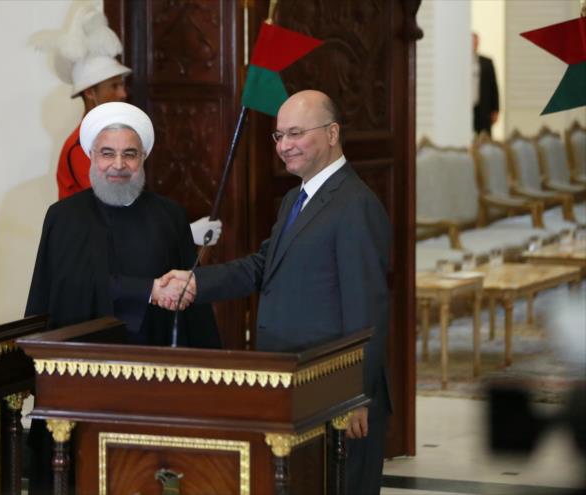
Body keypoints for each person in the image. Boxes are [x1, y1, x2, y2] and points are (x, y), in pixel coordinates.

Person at [160, 90, 392, 494]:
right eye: (279, 135)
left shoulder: (355, 204)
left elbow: (368, 310)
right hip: (295, 385)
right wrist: (196, 282)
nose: (284, 145)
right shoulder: (294, 199)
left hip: (334, 392)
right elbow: (262, 266)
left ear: (332, 133)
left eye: (296, 133)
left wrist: (355, 395)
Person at [25, 101, 221, 494]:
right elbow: (59, 291)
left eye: (129, 154)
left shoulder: (169, 216)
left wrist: (209, 373)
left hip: (151, 376)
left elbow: (191, 299)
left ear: (143, 157)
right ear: (91, 157)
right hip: (79, 378)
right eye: (107, 153)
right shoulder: (63, 216)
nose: (118, 165)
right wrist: (147, 290)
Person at [35, 3, 221, 245]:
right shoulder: (80, 147)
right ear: (90, 92)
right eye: (114, 86)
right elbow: (114, 208)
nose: (123, 93)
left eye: (121, 85)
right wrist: (181, 232)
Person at [473, 32, 500, 136]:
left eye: (475, 43)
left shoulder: (487, 62)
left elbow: (494, 87)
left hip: (483, 107)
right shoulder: (460, 63)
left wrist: (496, 109)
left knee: (484, 136)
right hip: (467, 107)